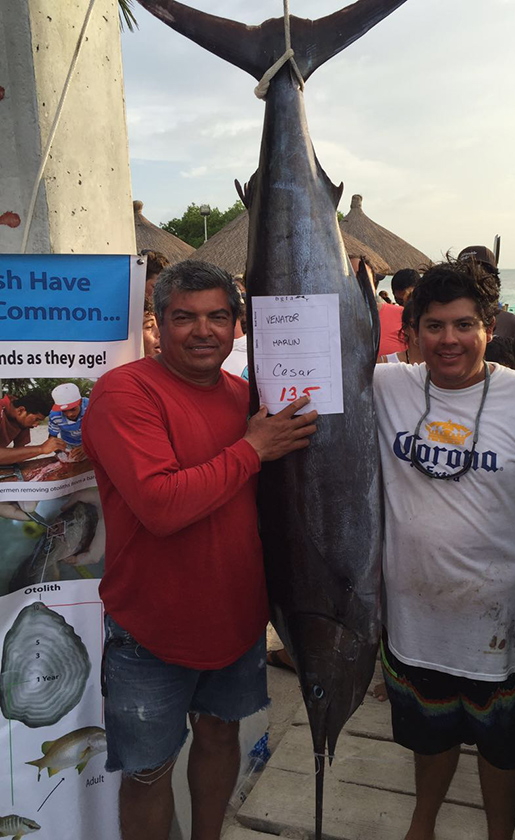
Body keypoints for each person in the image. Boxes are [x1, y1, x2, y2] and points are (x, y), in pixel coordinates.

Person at [82, 259, 317, 840]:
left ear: (239, 325)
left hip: (237, 622)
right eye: (184, 317)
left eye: (217, 316)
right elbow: (161, 506)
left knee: (220, 738)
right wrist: (251, 449)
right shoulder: (125, 390)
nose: (203, 330)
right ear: (158, 324)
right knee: (147, 772)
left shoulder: (245, 396)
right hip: (150, 632)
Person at [373, 258, 515, 840]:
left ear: (488, 327)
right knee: (429, 738)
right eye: (433, 326)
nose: (448, 340)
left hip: (507, 621)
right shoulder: (385, 386)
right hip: (416, 619)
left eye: (463, 325)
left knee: (503, 749)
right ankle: (421, 826)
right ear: (412, 332)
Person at [456, 245, 515, 339]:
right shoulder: (445, 317)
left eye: (483, 272)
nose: (475, 277)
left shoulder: (510, 322)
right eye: (466, 272)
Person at [350, 257, 406, 356]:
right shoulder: (324, 323)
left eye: (363, 279)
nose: (356, 286)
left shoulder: (403, 315)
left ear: (374, 286)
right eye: (349, 279)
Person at [0, 390, 65, 466]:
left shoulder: (22, 421)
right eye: (36, 419)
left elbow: (19, 451)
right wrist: (41, 449)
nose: (36, 425)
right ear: (21, 410)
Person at [48, 383, 89, 452]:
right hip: (68, 444)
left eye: (73, 409)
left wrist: (87, 447)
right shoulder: (55, 416)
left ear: (80, 402)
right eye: (64, 411)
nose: (70, 414)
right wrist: (60, 452)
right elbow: (52, 437)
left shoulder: (90, 406)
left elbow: (101, 429)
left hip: (89, 442)